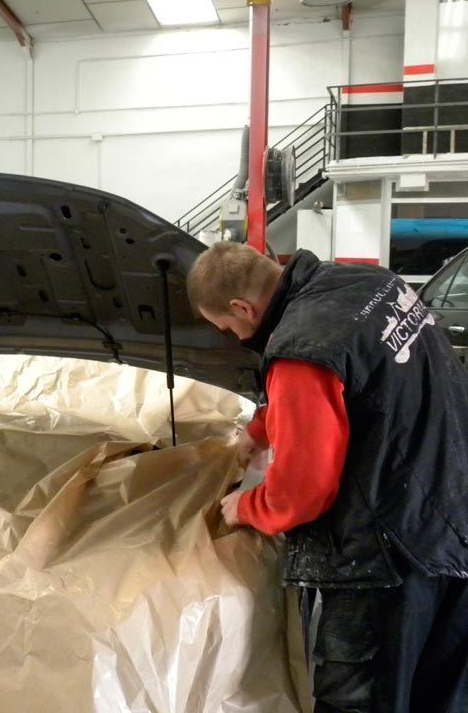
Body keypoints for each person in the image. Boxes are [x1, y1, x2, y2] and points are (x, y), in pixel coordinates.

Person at [187, 241, 468, 713]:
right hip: (453, 516)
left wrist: (248, 507)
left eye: (228, 327)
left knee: (362, 701)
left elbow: (302, 493)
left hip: (386, 561)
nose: (234, 337)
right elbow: (370, 378)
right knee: (441, 695)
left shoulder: (300, 349)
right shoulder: (374, 284)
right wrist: (263, 426)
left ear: (242, 307)